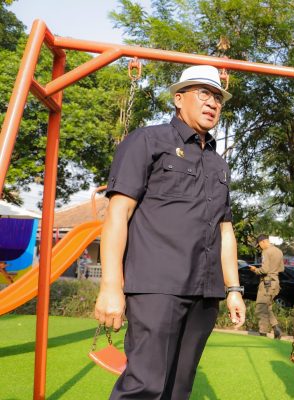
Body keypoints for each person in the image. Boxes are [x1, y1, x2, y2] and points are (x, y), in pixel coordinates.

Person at [94, 65, 246, 399]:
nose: (213, 103)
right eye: (203, 93)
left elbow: (226, 230)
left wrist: (233, 288)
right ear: (179, 99)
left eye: (218, 97)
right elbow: (119, 213)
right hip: (157, 287)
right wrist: (110, 286)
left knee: (179, 389)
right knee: (144, 387)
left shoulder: (218, 164)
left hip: (205, 292)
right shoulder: (147, 141)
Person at [250, 234, 284, 339]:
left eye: (259, 245)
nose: (259, 247)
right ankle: (276, 328)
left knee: (260, 308)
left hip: (267, 283)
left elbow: (264, 270)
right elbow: (282, 268)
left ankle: (263, 333)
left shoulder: (266, 252)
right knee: (267, 307)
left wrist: (255, 270)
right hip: (275, 282)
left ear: (264, 241)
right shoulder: (279, 251)